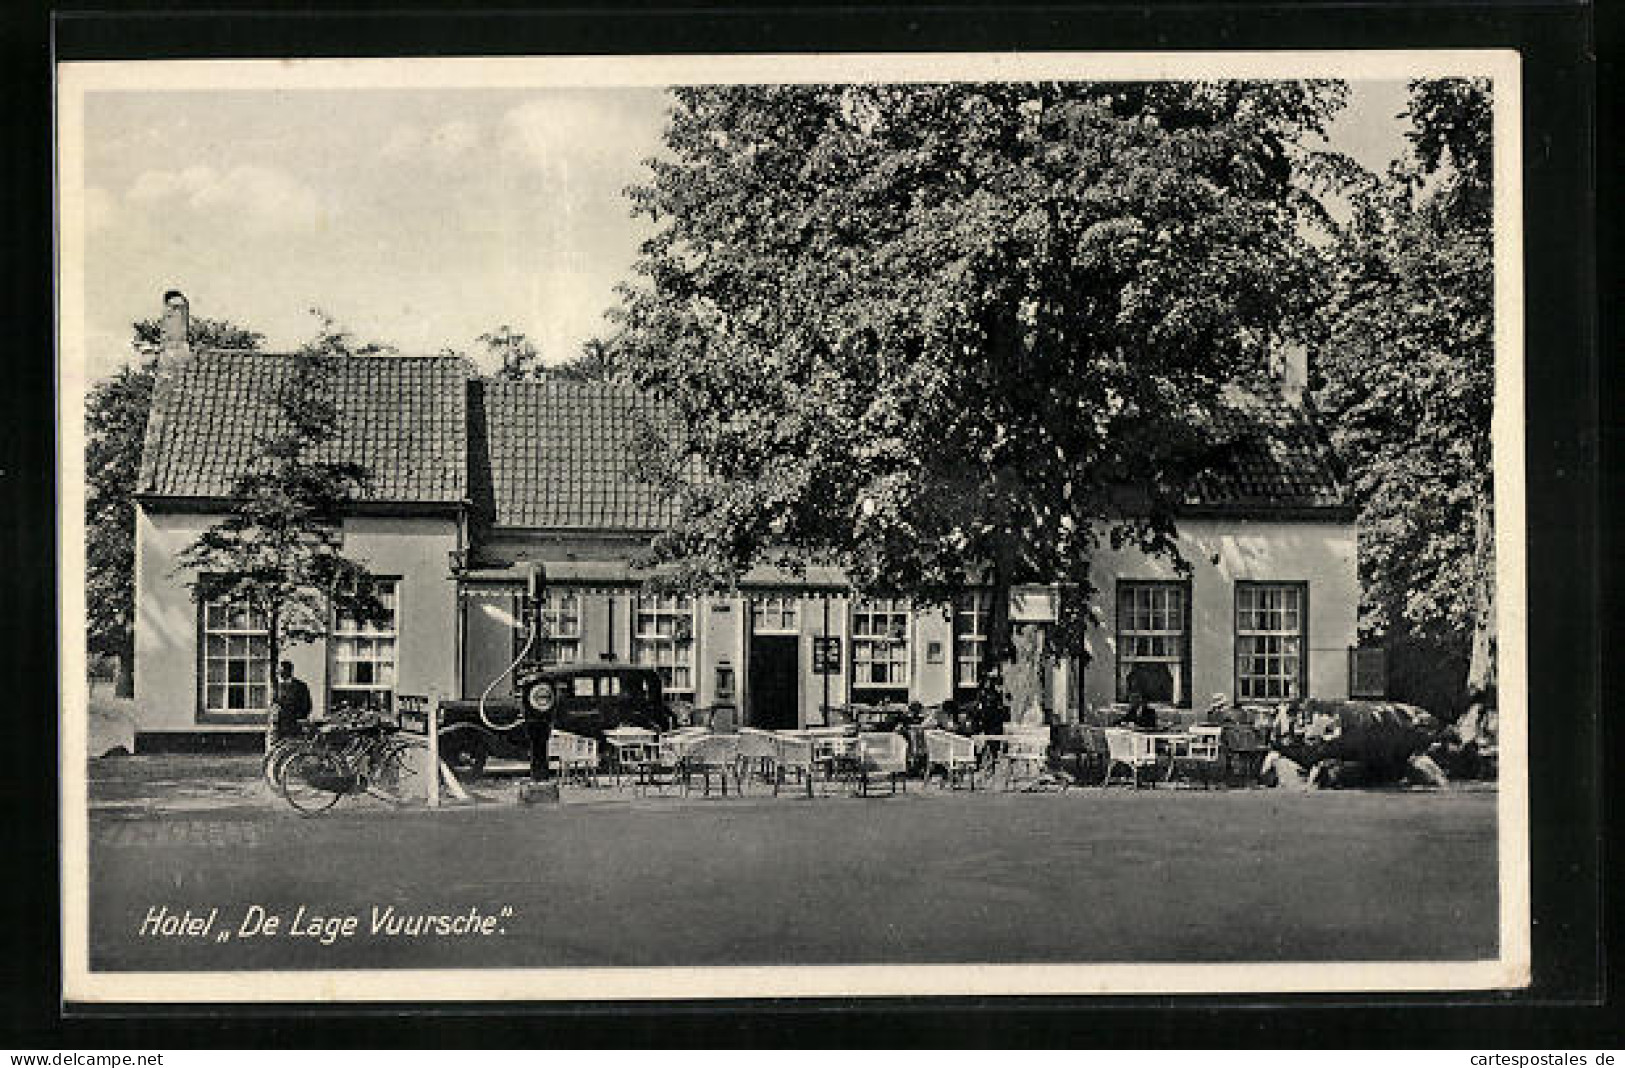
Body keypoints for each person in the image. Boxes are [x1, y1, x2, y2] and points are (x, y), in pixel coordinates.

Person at [268, 660, 313, 750]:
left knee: (293, 750)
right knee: (277, 750)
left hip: (294, 725)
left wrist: (298, 718)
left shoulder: (301, 686)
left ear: (289, 671)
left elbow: (307, 705)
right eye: (278, 671)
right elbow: (274, 703)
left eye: (281, 671)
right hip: (278, 726)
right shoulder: (276, 686)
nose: (279, 673)